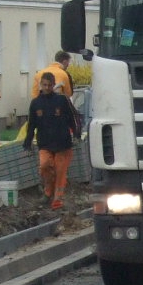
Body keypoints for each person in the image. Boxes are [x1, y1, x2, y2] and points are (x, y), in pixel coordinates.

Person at [23, 75, 82, 210]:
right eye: (44, 85)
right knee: (44, 166)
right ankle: (48, 191)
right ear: (41, 85)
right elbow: (31, 125)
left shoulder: (62, 100)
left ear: (54, 85)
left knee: (60, 171)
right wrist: (27, 143)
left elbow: (73, 117)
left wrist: (77, 133)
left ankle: (58, 198)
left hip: (63, 144)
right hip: (44, 143)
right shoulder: (36, 103)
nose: (47, 88)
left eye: (50, 85)